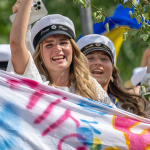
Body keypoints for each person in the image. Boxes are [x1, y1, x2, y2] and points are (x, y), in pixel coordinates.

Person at [7, 0, 115, 107]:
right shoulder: (35, 83)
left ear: (73, 49)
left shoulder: (89, 86)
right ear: (40, 54)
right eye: (49, 45)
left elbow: (114, 119)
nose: (58, 49)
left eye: (63, 43)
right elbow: (17, 45)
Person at [77, 34, 146, 117]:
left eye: (104, 59)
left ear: (112, 72)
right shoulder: (66, 102)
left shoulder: (129, 109)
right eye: (90, 58)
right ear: (77, 67)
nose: (98, 62)